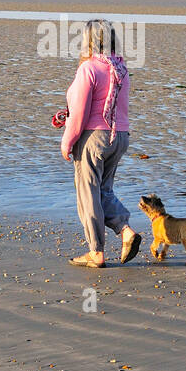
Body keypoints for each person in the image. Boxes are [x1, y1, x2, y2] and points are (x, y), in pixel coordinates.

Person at [61, 19, 141, 268]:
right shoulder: (121, 69)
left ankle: (96, 251)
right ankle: (125, 231)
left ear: (88, 41)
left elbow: (81, 113)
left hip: (94, 138)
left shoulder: (89, 69)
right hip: (120, 137)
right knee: (103, 191)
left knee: (88, 194)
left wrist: (67, 141)